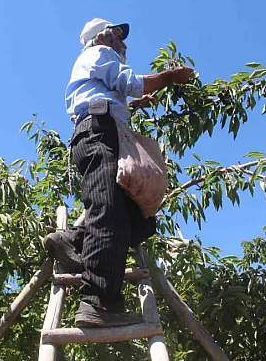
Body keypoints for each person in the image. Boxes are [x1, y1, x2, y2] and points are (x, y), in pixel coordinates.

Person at [42, 18, 193, 328]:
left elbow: (112, 96)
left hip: (101, 129)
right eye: (118, 36)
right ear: (103, 36)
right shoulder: (99, 53)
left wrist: (133, 104)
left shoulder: (96, 63)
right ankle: (98, 302)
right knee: (108, 212)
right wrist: (170, 77)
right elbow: (129, 82)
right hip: (101, 132)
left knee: (138, 221)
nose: (123, 43)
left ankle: (71, 239)